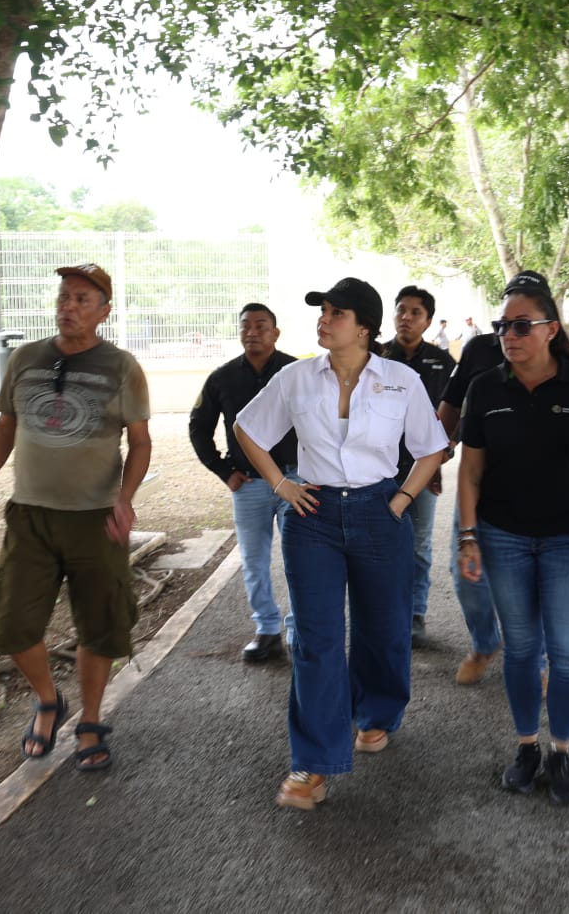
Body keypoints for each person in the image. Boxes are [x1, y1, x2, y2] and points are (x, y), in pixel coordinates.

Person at [233, 277, 447, 810]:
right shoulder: (296, 378)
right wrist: (280, 485)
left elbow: (431, 449)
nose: (323, 320)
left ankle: (376, 713)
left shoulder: (400, 381)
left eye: (336, 313)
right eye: (322, 312)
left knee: (385, 629)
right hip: (314, 517)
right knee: (315, 640)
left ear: (365, 327)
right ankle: (313, 763)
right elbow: (247, 428)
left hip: (379, 511)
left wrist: (400, 500)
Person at [0, 263, 151, 773]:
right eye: (63, 297)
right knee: (12, 624)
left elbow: (140, 442)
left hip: (97, 520)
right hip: (30, 517)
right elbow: (4, 429)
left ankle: (91, 719)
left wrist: (125, 498)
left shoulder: (121, 366)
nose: (68, 306)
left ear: (104, 311)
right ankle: (49, 700)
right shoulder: (27, 358)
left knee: (100, 626)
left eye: (82, 299)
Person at [457, 269, 569, 806]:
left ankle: (562, 751)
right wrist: (468, 536)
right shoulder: (485, 387)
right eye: (503, 326)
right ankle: (527, 747)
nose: (509, 335)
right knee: (523, 650)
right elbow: (470, 472)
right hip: (503, 537)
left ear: (552, 329)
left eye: (522, 325)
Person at [189, 303, 299, 662]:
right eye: (245, 326)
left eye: (261, 326)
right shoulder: (221, 378)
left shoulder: (296, 372)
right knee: (253, 561)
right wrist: (223, 470)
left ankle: (299, 631)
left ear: (275, 332)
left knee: (300, 559)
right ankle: (267, 631)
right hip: (249, 485)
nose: (252, 332)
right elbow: (199, 427)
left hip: (294, 481)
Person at [382, 286, 455, 648]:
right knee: (376, 546)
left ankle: (415, 616)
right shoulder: (376, 357)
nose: (406, 318)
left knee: (418, 547)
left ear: (428, 321)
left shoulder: (444, 363)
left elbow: (457, 415)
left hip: (423, 473)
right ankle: (382, 615)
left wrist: (442, 456)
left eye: (415, 313)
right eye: (401, 310)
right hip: (377, 471)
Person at [437, 329, 508, 685]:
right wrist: (433, 458)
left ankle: (538, 660)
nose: (512, 331)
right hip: (477, 481)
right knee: (466, 572)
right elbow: (451, 405)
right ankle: (485, 643)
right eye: (505, 322)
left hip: (541, 491)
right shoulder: (480, 348)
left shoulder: (561, 357)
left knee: (534, 578)